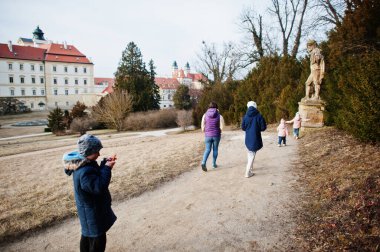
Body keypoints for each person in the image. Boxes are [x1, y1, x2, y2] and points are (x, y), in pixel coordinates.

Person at [64, 134, 117, 252]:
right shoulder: (84, 171)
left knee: (88, 235)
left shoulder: (85, 163)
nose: (99, 154)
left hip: (89, 210)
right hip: (92, 212)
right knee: (98, 239)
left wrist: (104, 164)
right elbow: (98, 186)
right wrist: (107, 168)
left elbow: (96, 175)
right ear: (88, 152)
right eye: (97, 151)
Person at [241, 101, 267, 178]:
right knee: (252, 153)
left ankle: (251, 168)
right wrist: (257, 128)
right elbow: (263, 128)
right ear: (255, 106)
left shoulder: (245, 116)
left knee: (251, 152)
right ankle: (247, 172)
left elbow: (243, 127)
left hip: (248, 138)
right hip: (256, 137)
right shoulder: (259, 116)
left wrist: (249, 128)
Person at [201, 101, 225, 172]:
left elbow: (202, 124)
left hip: (207, 135)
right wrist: (220, 130)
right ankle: (214, 164)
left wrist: (204, 130)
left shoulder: (205, 115)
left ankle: (203, 162)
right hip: (216, 135)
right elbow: (222, 126)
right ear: (216, 107)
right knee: (215, 149)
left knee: (207, 149)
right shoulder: (219, 115)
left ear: (209, 107)